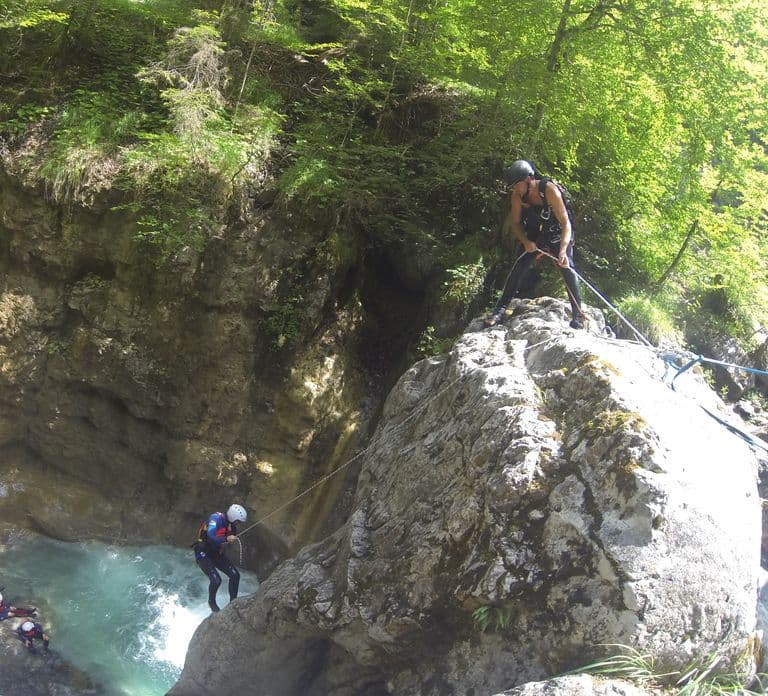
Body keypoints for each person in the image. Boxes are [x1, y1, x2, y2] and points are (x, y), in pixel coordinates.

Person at [485, 159, 585, 329]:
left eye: (517, 185)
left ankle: (578, 316)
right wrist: (526, 242)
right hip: (537, 233)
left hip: (557, 231)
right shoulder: (517, 196)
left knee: (567, 267)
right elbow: (515, 224)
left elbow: (566, 223)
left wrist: (562, 251)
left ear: (528, 179)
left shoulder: (549, 190)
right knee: (520, 264)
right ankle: (499, 310)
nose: (514, 189)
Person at [193, 503, 247, 613]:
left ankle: (233, 602)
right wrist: (226, 538)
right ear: (233, 517)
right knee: (216, 580)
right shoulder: (215, 518)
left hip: (215, 553)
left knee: (235, 575)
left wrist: (228, 541)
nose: (238, 524)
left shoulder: (232, 527)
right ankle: (211, 602)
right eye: (238, 521)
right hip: (203, 552)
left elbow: (223, 543)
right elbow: (211, 535)